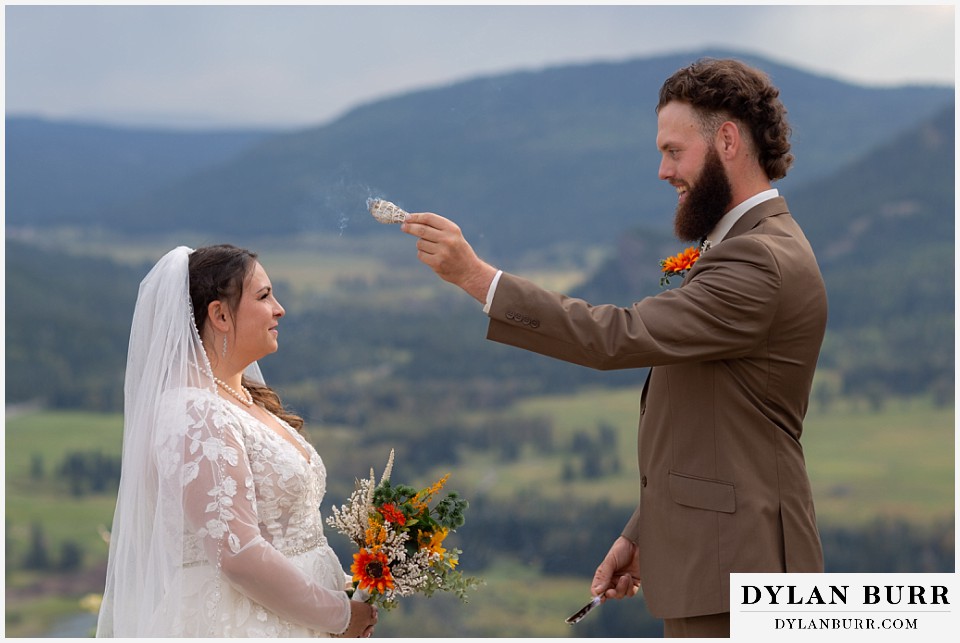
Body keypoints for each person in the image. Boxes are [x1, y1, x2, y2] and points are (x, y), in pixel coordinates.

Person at [399, 58, 827, 638]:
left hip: (740, 572)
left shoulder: (760, 259)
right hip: (719, 561)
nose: (662, 170)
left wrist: (477, 278)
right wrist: (645, 530)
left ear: (727, 140)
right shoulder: (747, 246)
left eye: (674, 151)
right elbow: (715, 422)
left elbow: (616, 336)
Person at [97, 244, 378, 637]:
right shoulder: (196, 414)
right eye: (264, 296)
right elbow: (238, 554)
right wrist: (338, 615)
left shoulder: (241, 398)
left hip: (296, 615)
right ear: (220, 314)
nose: (279, 309)